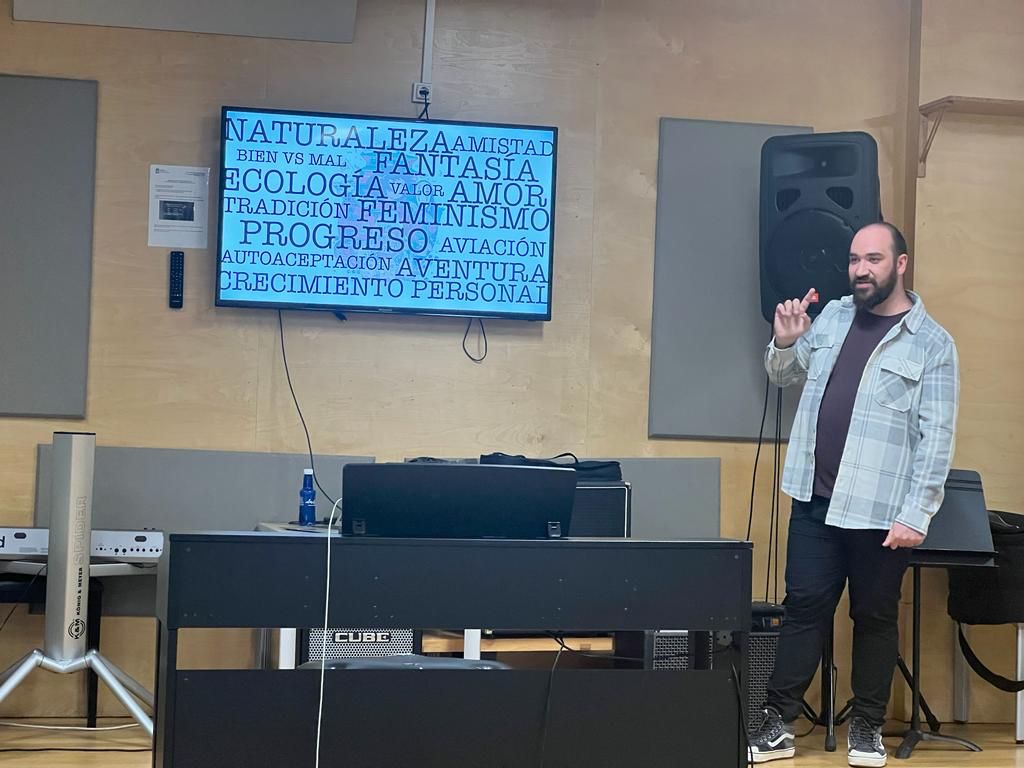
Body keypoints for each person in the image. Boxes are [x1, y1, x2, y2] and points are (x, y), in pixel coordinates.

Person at [747, 222, 960, 767]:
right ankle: (777, 724)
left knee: (875, 617)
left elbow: (936, 440)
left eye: (873, 259)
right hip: (814, 501)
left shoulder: (933, 343)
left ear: (900, 264)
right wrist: (785, 339)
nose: (860, 270)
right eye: (853, 260)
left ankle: (866, 727)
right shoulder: (834, 317)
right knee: (803, 609)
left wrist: (917, 514)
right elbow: (782, 375)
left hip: (881, 512)